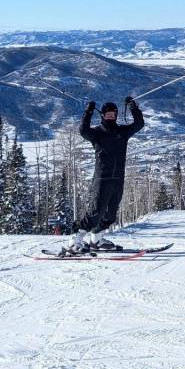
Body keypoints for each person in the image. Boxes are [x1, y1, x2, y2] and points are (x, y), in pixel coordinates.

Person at [65, 98, 144, 254]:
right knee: (96, 211)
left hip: (118, 178)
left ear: (116, 115)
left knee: (110, 213)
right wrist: (88, 112)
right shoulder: (97, 133)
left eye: (113, 114)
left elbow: (139, 124)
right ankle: (75, 240)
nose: (110, 117)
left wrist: (133, 107)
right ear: (102, 116)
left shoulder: (122, 132)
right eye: (107, 114)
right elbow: (83, 130)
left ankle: (97, 239)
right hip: (102, 178)